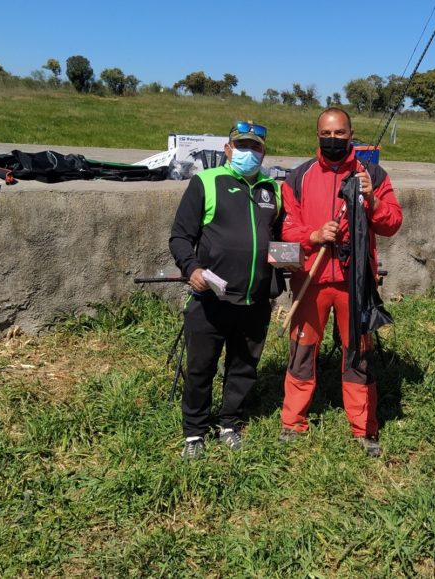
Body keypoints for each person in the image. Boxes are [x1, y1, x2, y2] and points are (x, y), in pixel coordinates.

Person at [279, 107, 403, 457]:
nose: (333, 139)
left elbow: (392, 223)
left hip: (354, 281)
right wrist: (315, 234)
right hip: (312, 278)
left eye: (340, 133)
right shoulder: (297, 177)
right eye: (326, 134)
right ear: (317, 134)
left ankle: (363, 429)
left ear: (352, 134)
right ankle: (293, 423)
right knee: (302, 352)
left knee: (358, 354)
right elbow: (287, 228)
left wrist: (373, 199)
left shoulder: (373, 173)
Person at [169, 121, 282, 459]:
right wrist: (192, 269)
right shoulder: (206, 182)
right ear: (228, 150)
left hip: (255, 300)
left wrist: (286, 256)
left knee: (244, 366)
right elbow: (179, 236)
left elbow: (277, 238)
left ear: (264, 152)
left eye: (257, 147)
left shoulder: (270, 190)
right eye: (243, 146)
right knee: (201, 367)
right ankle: (194, 432)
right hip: (210, 298)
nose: (250, 153)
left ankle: (230, 423)